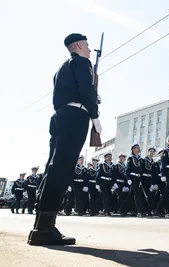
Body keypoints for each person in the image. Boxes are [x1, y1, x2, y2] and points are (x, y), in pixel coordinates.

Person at [28, 33, 102, 246]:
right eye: (87, 45)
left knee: (53, 167)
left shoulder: (62, 68)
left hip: (60, 116)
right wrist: (95, 115)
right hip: (75, 116)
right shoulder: (82, 62)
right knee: (63, 168)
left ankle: (41, 224)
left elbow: (76, 91)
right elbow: (85, 90)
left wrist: (91, 96)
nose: (89, 49)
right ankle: (45, 229)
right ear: (78, 45)